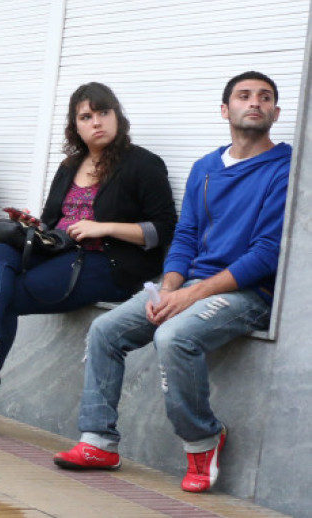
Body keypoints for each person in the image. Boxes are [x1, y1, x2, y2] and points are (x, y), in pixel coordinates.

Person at [54, 72, 290, 494]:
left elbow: (267, 252)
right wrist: (168, 288)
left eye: (265, 97)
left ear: (276, 111)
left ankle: (202, 438)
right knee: (106, 329)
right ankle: (98, 441)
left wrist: (188, 295)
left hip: (249, 293)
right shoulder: (205, 167)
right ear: (225, 110)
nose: (255, 102)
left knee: (175, 336)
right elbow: (183, 237)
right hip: (190, 285)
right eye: (244, 95)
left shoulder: (287, 168)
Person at [0, 82, 177, 433]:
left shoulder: (143, 164)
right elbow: (52, 219)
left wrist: (103, 227)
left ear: (117, 117)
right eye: (86, 116)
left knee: (6, 297)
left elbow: (163, 230)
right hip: (60, 253)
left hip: (106, 264)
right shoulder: (70, 165)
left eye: (104, 113)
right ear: (75, 126)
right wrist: (34, 225)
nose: (97, 122)